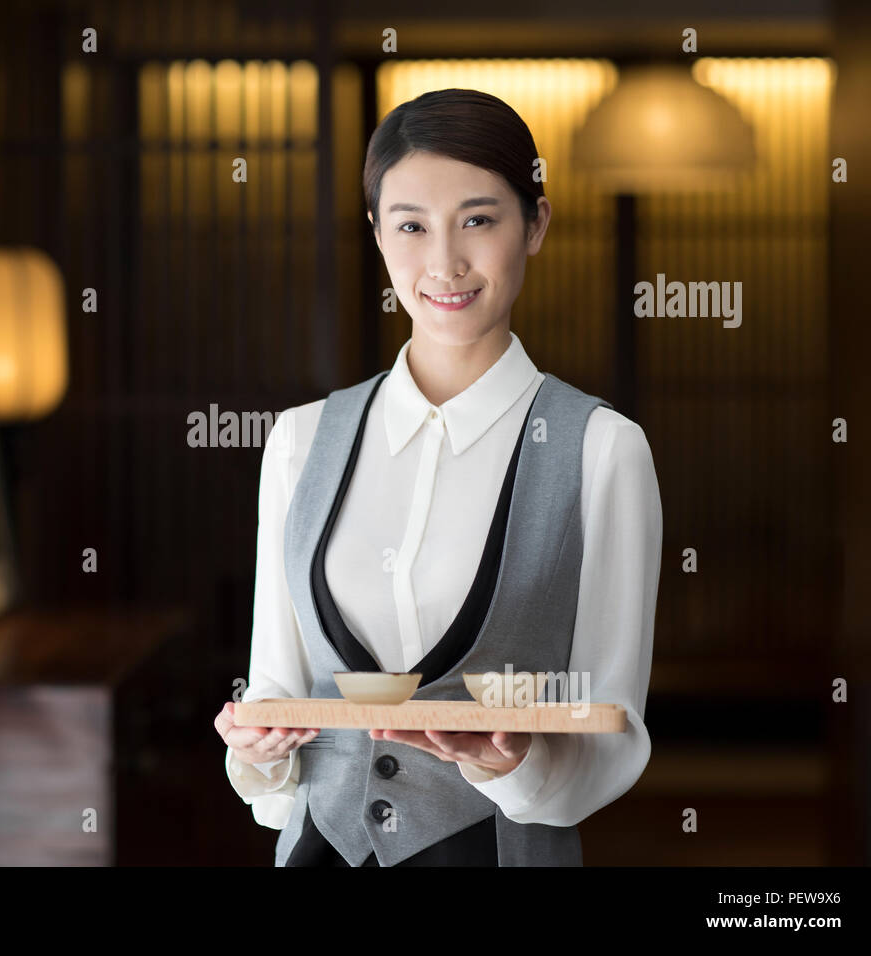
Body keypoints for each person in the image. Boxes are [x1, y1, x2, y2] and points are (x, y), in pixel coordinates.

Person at [212, 88, 662, 867]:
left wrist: (515, 763)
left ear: (537, 225)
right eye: (411, 225)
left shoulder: (602, 449)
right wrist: (256, 748)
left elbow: (614, 723)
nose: (445, 262)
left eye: (479, 220)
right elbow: (276, 701)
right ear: (378, 236)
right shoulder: (297, 441)